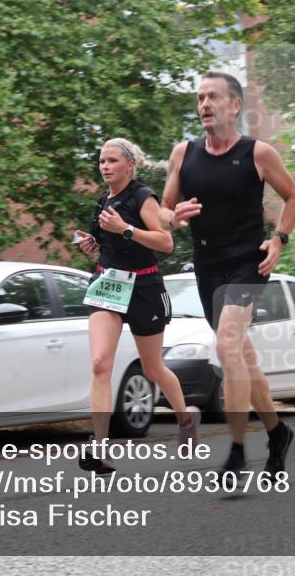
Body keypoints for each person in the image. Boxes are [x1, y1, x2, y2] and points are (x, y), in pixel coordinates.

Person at [160, 71, 295, 482]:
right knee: (243, 355)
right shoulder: (183, 154)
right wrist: (174, 216)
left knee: (226, 345)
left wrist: (279, 239)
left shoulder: (258, 153)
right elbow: (163, 210)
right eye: (200, 98)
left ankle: (238, 450)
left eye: (213, 98)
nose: (204, 105)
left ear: (235, 105)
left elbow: (293, 197)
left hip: (248, 262)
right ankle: (279, 433)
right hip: (208, 266)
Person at [74, 138, 200, 474]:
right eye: (101, 161)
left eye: (112, 161)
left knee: (152, 369)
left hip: (143, 287)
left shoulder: (143, 197)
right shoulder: (103, 201)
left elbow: (166, 242)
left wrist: (125, 229)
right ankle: (99, 445)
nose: (105, 167)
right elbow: (102, 243)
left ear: (130, 165)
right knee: (101, 363)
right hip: (109, 285)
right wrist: (90, 243)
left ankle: (185, 419)